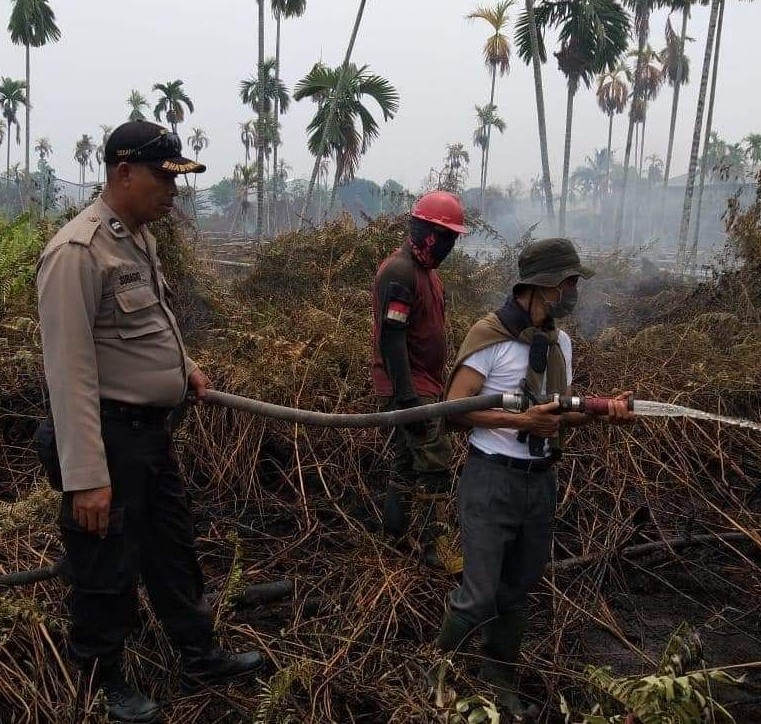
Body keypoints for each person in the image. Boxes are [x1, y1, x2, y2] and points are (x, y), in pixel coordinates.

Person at [36, 121, 263, 723]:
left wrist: (183, 369)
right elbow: (69, 371)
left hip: (150, 435)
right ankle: (103, 679)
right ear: (122, 172)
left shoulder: (137, 239)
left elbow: (148, 325)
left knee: (171, 547)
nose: (173, 190)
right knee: (104, 559)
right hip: (106, 437)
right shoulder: (77, 253)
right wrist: (86, 475)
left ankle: (198, 653)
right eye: (164, 177)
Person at [433, 237, 634, 718]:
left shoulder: (559, 343)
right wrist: (519, 423)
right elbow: (455, 412)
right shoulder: (490, 337)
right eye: (568, 282)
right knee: (478, 594)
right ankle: (437, 676)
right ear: (541, 286)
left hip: (539, 483)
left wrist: (606, 411)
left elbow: (558, 415)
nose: (572, 291)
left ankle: (499, 680)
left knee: (517, 590)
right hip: (491, 481)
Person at [370, 190, 467, 569]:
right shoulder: (400, 271)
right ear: (427, 232)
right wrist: (408, 399)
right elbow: (391, 338)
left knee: (407, 463)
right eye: (446, 237)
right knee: (435, 463)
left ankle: (395, 539)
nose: (450, 246)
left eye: (453, 239)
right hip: (409, 389)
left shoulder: (427, 273)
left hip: (423, 386)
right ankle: (434, 550)